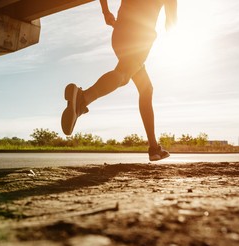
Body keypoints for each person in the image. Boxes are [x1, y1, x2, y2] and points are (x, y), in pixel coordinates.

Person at [61, 0, 177, 161]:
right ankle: (83, 98)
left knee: (146, 89)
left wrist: (106, 12)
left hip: (120, 33)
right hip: (141, 36)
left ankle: (154, 147)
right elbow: (171, 22)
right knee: (123, 75)